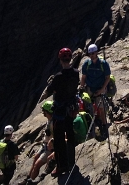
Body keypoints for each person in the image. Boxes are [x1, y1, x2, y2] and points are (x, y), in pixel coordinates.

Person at [40, 47, 80, 176]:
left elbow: (51, 90)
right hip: (71, 109)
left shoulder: (58, 77)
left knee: (59, 140)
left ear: (60, 60)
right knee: (70, 135)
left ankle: (62, 166)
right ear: (70, 58)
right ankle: (71, 162)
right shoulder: (75, 73)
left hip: (59, 112)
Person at [80, 44, 111, 140]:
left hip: (99, 89)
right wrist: (81, 87)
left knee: (101, 109)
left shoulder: (103, 64)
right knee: (86, 107)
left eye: (93, 53)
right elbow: (83, 77)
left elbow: (107, 78)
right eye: (90, 54)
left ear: (97, 52)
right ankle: (91, 124)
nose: (91, 55)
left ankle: (104, 127)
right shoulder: (86, 64)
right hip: (89, 88)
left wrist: (102, 90)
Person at [29, 101, 55, 180]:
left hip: (50, 148)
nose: (43, 112)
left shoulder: (54, 123)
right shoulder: (49, 120)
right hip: (45, 144)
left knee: (37, 164)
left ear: (47, 111)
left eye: (44, 111)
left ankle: (31, 181)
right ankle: (28, 177)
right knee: (35, 158)